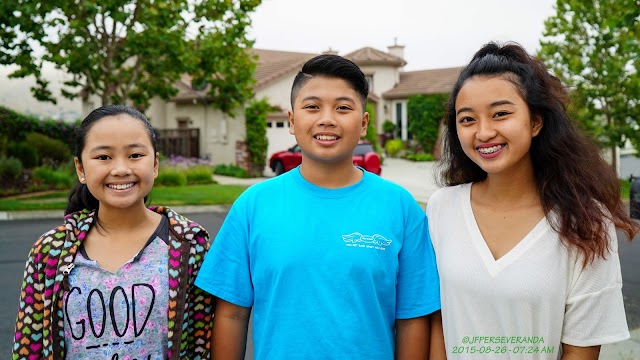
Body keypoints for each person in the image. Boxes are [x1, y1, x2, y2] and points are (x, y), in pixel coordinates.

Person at [195, 54, 440, 359]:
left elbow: (412, 317)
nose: (327, 118)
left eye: (343, 107)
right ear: (292, 120)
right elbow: (232, 314)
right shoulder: (253, 205)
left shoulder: (400, 207)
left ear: (363, 123)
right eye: (312, 107)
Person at [427, 42, 640, 359]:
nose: (484, 132)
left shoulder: (585, 222)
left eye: (500, 114)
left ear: (536, 121)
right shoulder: (441, 207)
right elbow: (439, 321)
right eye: (467, 119)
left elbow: (580, 350)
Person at [12, 105, 214, 359]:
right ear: (81, 168)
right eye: (103, 157)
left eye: (135, 155)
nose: (120, 169)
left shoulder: (189, 245)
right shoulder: (50, 250)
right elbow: (28, 348)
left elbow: (202, 344)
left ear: (155, 164)